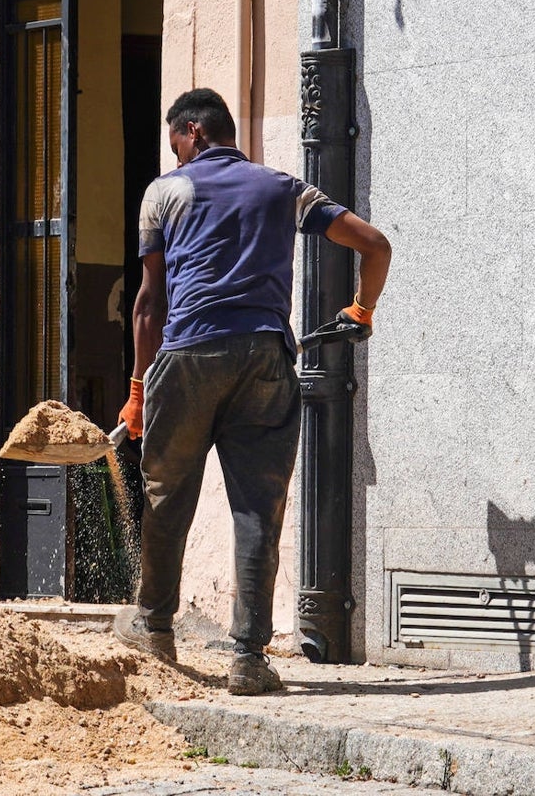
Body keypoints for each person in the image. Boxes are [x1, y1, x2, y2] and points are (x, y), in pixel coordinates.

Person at [112, 88, 391, 695]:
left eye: (175, 144)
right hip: (266, 357)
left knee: (166, 496)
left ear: (191, 131)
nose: (176, 155)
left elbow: (149, 300)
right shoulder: (283, 187)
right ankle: (248, 658)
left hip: (186, 356)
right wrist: (362, 310)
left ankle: (154, 628)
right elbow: (375, 245)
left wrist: (137, 387)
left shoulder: (165, 193)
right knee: (257, 509)